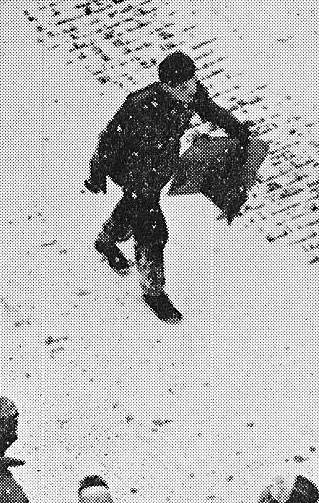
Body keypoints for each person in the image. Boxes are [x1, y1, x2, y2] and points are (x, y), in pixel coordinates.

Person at [87, 50, 248, 320]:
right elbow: (110, 139)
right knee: (153, 231)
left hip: (161, 166)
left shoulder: (190, 92)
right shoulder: (139, 106)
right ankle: (153, 292)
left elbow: (208, 108)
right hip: (135, 172)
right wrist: (97, 173)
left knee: (132, 206)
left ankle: (106, 241)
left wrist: (235, 128)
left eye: (194, 81)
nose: (193, 88)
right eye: (186, 86)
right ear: (167, 87)